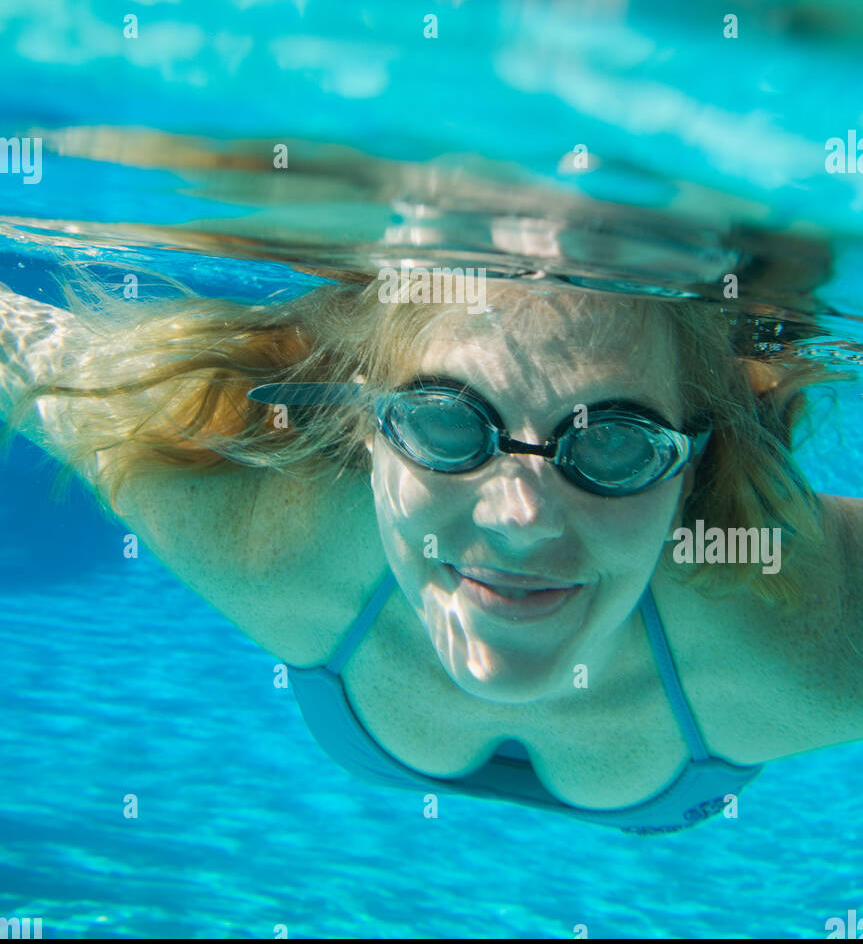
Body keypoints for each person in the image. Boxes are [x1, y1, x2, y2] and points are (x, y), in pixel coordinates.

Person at [2, 270, 861, 835]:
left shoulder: (800, 631)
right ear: (366, 430)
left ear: (690, 466)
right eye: (446, 425)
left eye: (614, 447)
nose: (521, 519)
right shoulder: (267, 542)